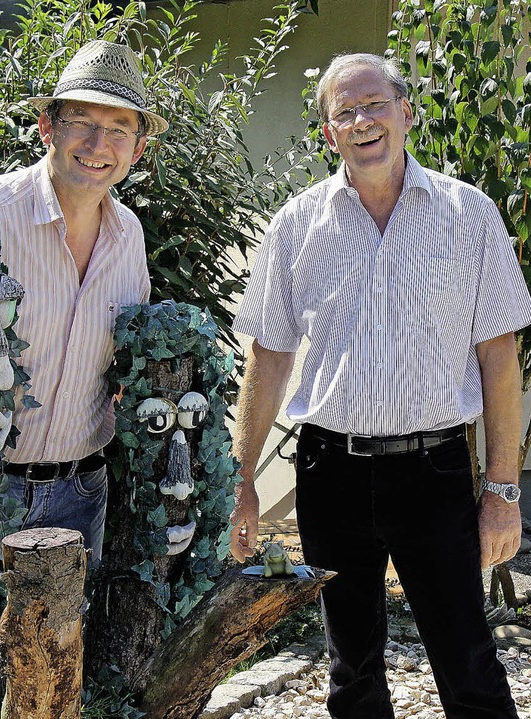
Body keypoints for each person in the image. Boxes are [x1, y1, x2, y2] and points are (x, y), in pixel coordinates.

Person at [229, 52, 531, 719]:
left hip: (436, 468)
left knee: (469, 662)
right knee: (351, 667)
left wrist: (503, 490)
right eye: (344, 112)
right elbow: (270, 356)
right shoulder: (297, 226)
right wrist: (243, 475)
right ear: (329, 134)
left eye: (374, 105)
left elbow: (499, 358)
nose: (362, 121)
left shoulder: (469, 216)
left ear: (406, 113)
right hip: (329, 470)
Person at [0, 40, 168, 565]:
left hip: (83, 491)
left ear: (137, 149)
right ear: (48, 128)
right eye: (82, 121)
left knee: (64, 645)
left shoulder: (129, 235)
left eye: (118, 129)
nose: (97, 143)